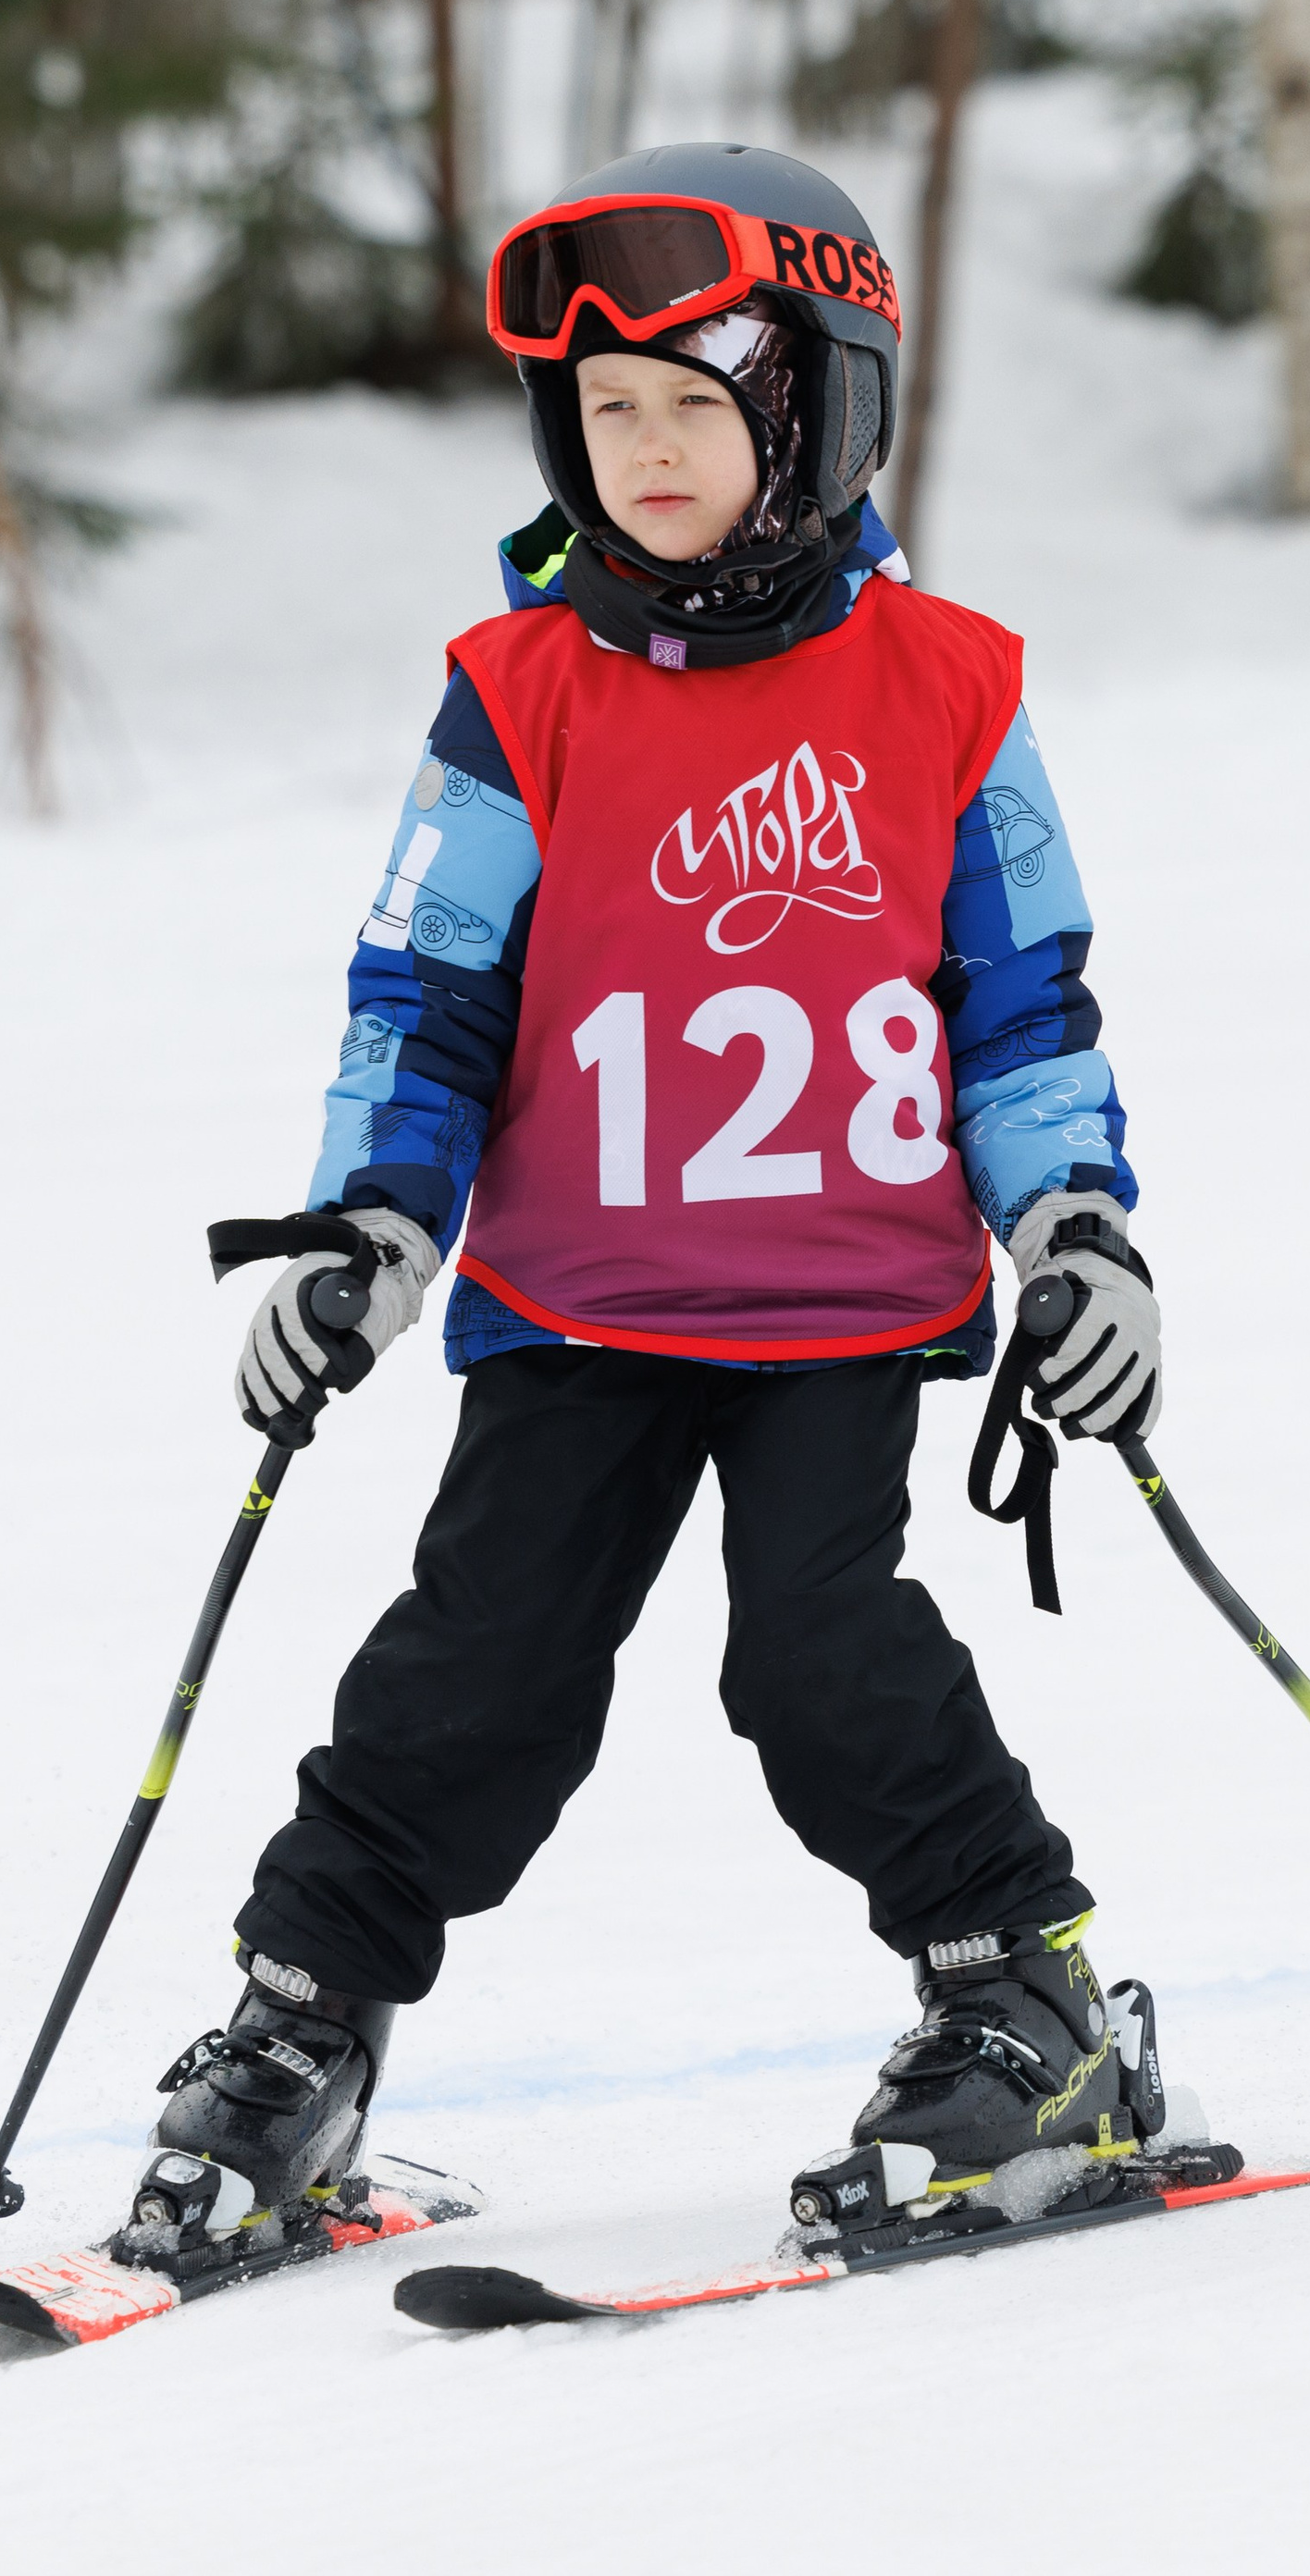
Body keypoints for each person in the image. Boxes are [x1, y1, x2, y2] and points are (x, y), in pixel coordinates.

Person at [121, 143, 1165, 2259]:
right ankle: (297, 2019)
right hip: (576, 1298)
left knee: (818, 1661)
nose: (650, 450)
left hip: (832, 1303)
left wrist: (1076, 1230)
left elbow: (1022, 1000)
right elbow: (419, 993)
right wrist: (365, 1225)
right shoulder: (517, 693)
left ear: (817, 410)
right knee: (473, 1666)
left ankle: (1026, 1996)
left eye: (700, 400)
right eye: (608, 411)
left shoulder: (944, 687)